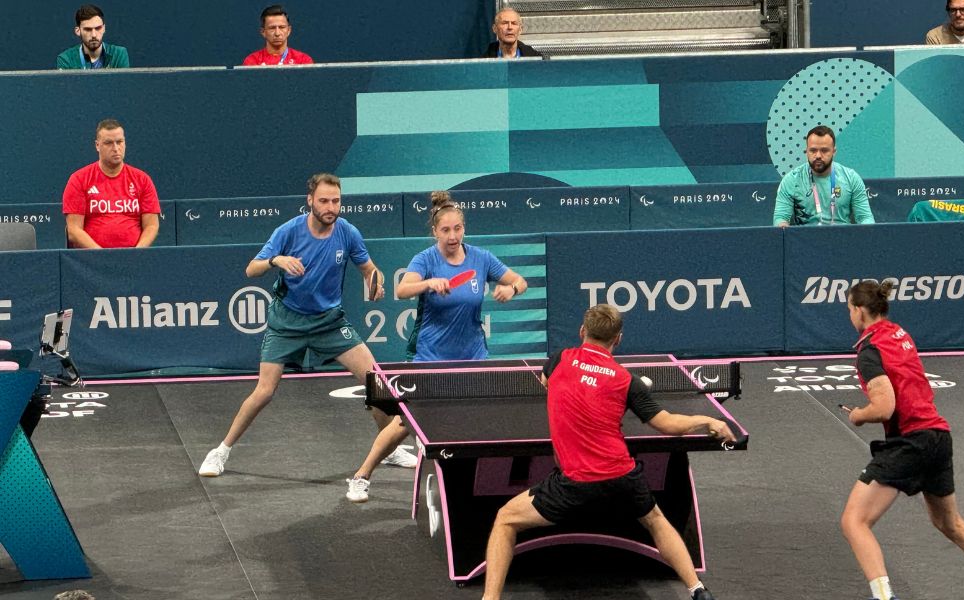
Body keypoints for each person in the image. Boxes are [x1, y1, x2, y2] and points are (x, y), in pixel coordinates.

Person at [482, 304, 736, 600]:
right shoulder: (627, 381)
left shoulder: (559, 360)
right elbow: (668, 424)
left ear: (582, 331)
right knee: (655, 520)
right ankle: (698, 590)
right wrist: (708, 420)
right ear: (618, 339)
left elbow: (547, 383)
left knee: (505, 519)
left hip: (574, 482)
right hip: (622, 475)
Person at [198, 173, 415, 477]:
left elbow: (369, 268)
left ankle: (389, 450)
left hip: (329, 323)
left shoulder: (348, 232)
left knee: (376, 383)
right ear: (310, 200)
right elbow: (251, 269)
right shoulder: (288, 232)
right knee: (264, 391)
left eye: (336, 201)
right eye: (324, 200)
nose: (330, 207)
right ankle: (220, 451)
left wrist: (374, 281)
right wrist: (277, 261)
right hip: (286, 323)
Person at [345, 191, 528, 503]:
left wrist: (510, 289)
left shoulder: (481, 258)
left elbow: (520, 281)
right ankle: (361, 476)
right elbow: (402, 290)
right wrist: (428, 284)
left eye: (457, 229)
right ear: (435, 232)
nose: (453, 236)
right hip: (431, 357)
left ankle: (482, 485)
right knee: (403, 423)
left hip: (473, 356)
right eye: (446, 230)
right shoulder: (426, 259)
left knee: (485, 417)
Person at [840, 280, 964, 600]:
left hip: (911, 443)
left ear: (859, 310)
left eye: (848, 310)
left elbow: (886, 406)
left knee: (854, 521)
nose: (849, 316)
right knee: (949, 522)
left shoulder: (868, 349)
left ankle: (884, 597)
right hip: (939, 437)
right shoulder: (900, 334)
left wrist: (859, 414)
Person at [63, 119, 160, 249]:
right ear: (97, 145)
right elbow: (74, 230)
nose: (115, 148)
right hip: (92, 260)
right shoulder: (79, 179)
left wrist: (137, 253)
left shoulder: (142, 180)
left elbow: (152, 225)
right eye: (108, 143)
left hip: (135, 258)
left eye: (119, 142)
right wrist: (103, 255)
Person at [773, 125, 875, 227]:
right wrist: (782, 226)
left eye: (824, 150)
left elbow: (865, 217)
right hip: (804, 240)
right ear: (806, 151)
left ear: (834, 152)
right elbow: (780, 218)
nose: (818, 156)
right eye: (813, 150)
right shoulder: (791, 180)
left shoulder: (851, 178)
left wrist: (867, 229)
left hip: (844, 239)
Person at [56, 5, 129, 69]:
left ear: (104, 28)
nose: (94, 35)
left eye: (98, 28)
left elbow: (122, 83)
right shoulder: (66, 59)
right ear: (78, 31)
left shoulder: (119, 54)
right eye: (88, 29)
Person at [242, 5, 314, 66]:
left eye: (282, 27)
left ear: (289, 30)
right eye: (272, 28)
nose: (277, 33)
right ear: (263, 32)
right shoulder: (252, 61)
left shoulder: (303, 60)